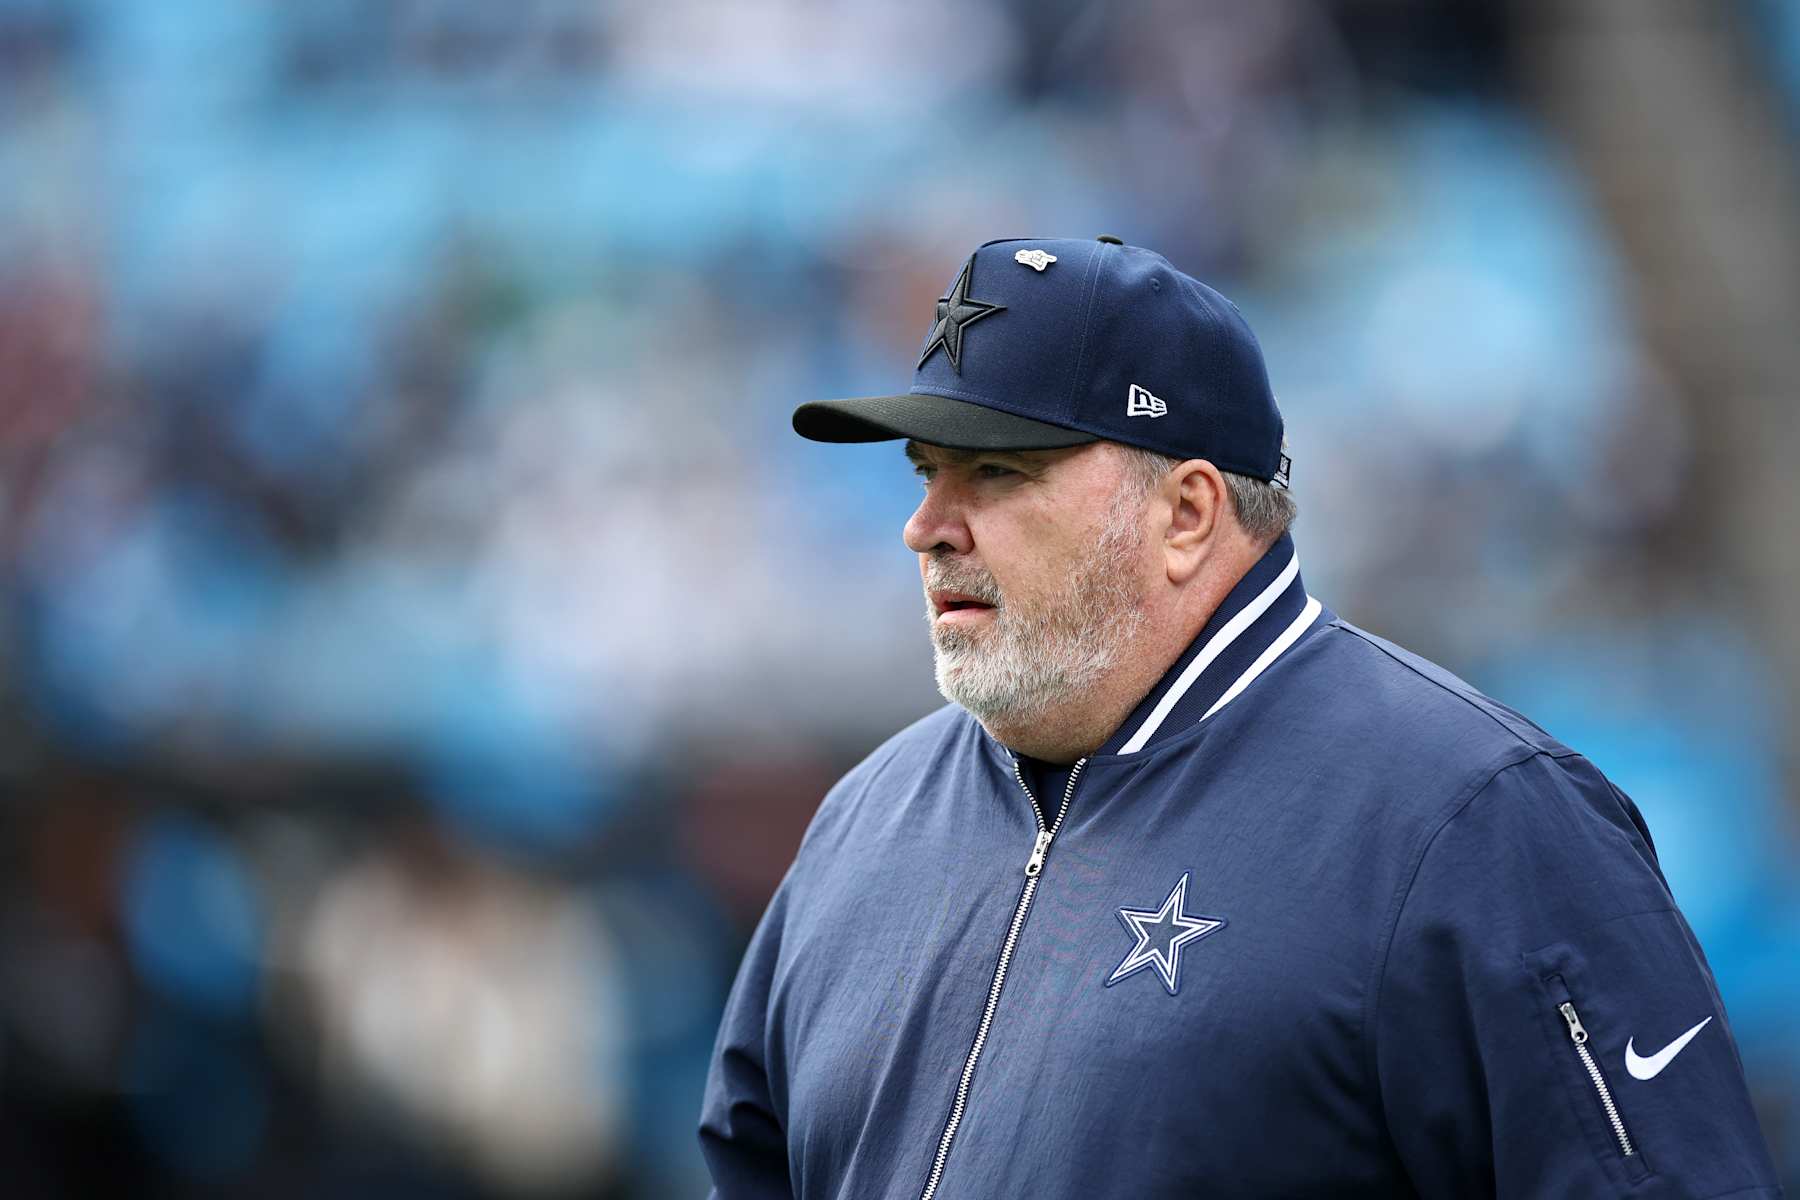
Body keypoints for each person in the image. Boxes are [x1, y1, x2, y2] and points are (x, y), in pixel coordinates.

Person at [698, 236, 1784, 1199]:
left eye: (995, 470)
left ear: (1186, 514)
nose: (927, 528)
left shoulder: (1475, 822)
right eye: (928, 471)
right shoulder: (864, 825)